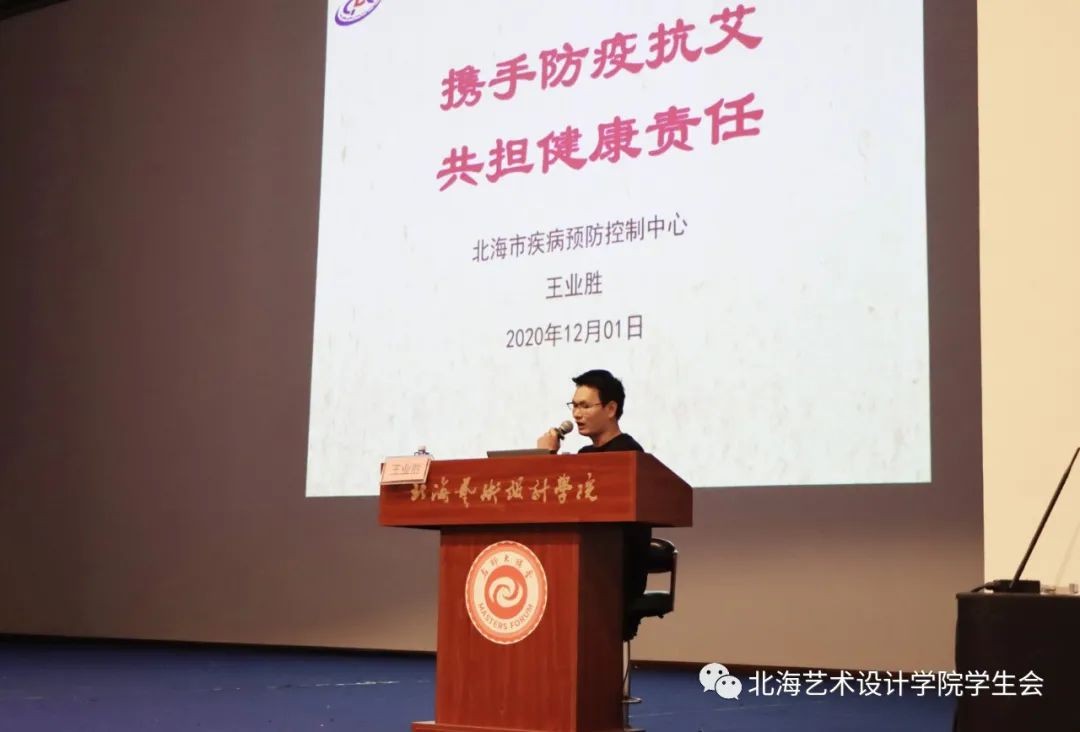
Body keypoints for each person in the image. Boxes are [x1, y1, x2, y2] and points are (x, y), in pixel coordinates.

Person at [536, 369, 649, 641]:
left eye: (585, 406)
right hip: (583, 566)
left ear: (611, 409)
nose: (576, 414)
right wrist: (545, 458)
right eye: (574, 406)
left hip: (612, 571)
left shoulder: (628, 453)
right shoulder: (585, 455)